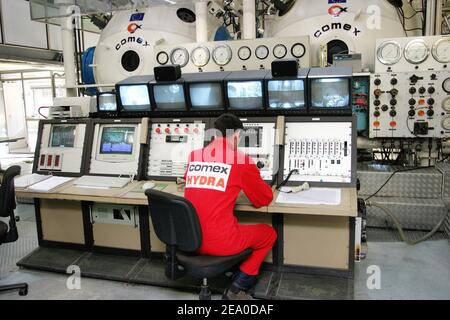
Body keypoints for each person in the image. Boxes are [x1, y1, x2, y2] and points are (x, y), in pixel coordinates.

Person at [184, 113, 276, 300]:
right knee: (268, 234)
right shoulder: (240, 160)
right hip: (220, 242)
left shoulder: (194, 155)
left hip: (190, 239)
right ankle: (238, 287)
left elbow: (193, 183)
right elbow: (263, 199)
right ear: (237, 136)